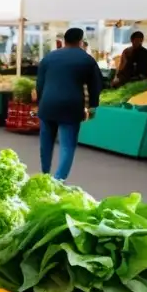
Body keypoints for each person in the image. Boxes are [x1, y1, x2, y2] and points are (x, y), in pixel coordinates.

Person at [35, 27, 103, 181]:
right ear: (80, 41)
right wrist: (92, 106)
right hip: (71, 106)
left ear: (63, 41)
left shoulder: (49, 58)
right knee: (67, 145)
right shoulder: (86, 59)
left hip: (48, 105)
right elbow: (96, 85)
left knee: (46, 143)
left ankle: (44, 175)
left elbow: (39, 84)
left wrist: (40, 102)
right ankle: (58, 180)